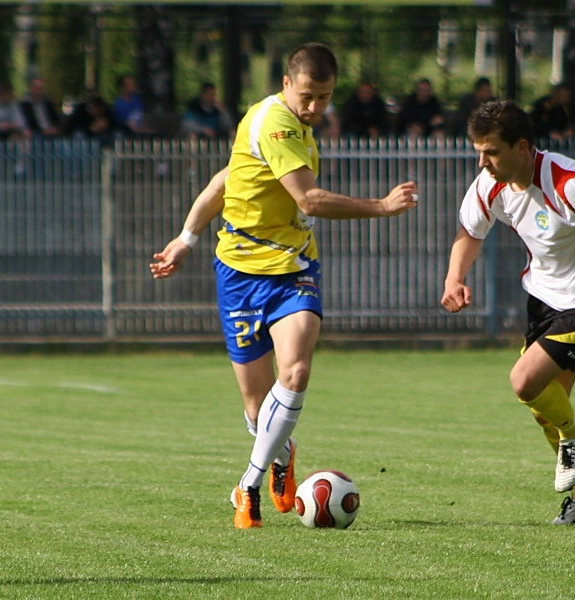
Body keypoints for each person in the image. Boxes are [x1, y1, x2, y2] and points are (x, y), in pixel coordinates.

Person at [149, 43, 418, 529]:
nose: (316, 107)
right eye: (309, 96)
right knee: (256, 409)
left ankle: (247, 486)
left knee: (295, 372)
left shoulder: (296, 127)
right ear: (286, 84)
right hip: (239, 273)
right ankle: (281, 454)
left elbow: (224, 181)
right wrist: (380, 207)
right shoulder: (272, 124)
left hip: (295, 268)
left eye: (326, 97)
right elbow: (308, 199)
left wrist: (186, 237)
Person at [441, 101, 575, 524]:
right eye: (478, 153)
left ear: (521, 147)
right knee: (545, 408)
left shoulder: (570, 183)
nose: (483, 163)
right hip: (545, 300)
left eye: (492, 152)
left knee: (524, 381)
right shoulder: (491, 183)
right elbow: (470, 231)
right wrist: (454, 279)